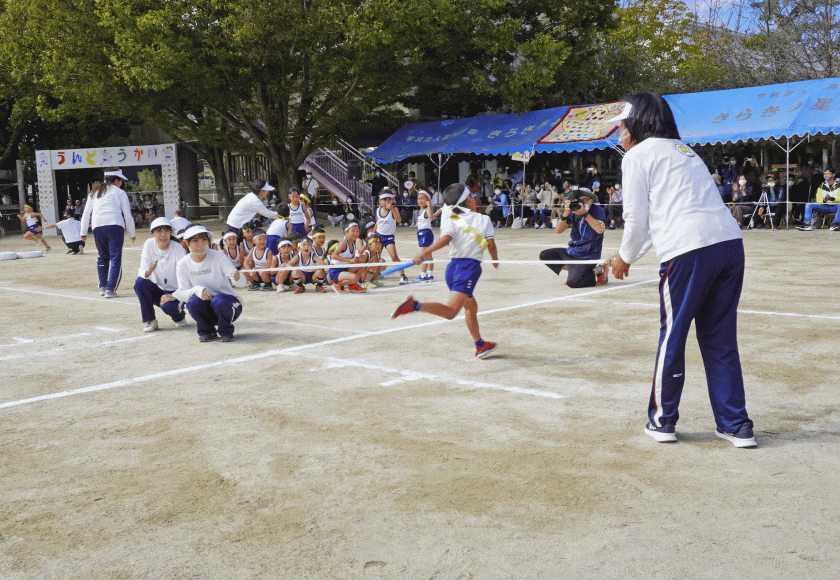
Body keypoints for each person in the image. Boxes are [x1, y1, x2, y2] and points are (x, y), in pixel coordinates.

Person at [604, 92, 756, 448]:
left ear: (634, 123)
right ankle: (736, 426)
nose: (620, 134)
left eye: (621, 126)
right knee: (720, 339)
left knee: (673, 335)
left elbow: (636, 220)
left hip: (687, 253)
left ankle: (662, 421)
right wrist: (626, 254)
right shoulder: (684, 151)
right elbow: (660, 221)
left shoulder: (638, 155)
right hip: (728, 247)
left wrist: (624, 258)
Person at [391, 183, 499, 359]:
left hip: (453, 269)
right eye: (472, 197)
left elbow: (445, 239)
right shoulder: (483, 219)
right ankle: (414, 305)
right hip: (468, 269)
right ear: (469, 199)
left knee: (471, 306)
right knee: (451, 312)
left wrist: (425, 252)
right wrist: (495, 260)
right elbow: (491, 245)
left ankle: (480, 345)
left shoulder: (453, 219)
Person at [173, 225, 243, 342]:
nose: (200, 244)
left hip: (229, 306)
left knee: (219, 300)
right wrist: (197, 290)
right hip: (206, 310)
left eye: (204, 240)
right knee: (194, 301)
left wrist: (237, 277)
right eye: (195, 241)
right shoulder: (182, 263)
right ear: (187, 243)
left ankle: (226, 331)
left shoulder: (219, 257)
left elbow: (241, 283)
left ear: (209, 241)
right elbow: (182, 293)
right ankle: (206, 331)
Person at [80, 168, 136, 298]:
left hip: (98, 226)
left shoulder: (94, 192)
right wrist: (131, 232)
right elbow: (127, 214)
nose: (121, 183)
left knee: (102, 256)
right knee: (116, 258)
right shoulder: (120, 192)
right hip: (115, 226)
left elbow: (86, 213)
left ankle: (102, 286)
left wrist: (83, 231)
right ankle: (110, 289)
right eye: (121, 180)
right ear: (116, 180)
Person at [539, 188, 608, 287]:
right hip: (573, 252)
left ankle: (599, 269)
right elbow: (558, 230)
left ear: (591, 200)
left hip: (589, 256)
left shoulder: (597, 210)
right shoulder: (573, 210)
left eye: (585, 199)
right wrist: (566, 213)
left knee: (574, 282)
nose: (582, 203)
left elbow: (600, 229)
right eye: (579, 200)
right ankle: (578, 272)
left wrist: (585, 214)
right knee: (545, 255)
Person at [134, 217, 188, 332]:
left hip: (175, 291)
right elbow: (142, 270)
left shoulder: (178, 248)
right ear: (152, 233)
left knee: (168, 307)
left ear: (170, 232)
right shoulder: (149, 244)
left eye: (166, 230)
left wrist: (174, 295)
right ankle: (150, 320)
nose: (163, 235)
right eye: (159, 231)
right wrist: (149, 270)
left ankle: (179, 317)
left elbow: (185, 277)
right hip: (158, 289)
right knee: (140, 282)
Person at [375, 191, 410, 285]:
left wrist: (393, 210)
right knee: (376, 257)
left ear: (392, 200)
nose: (387, 201)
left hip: (389, 237)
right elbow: (377, 223)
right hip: (378, 236)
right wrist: (372, 235)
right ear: (380, 201)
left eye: (389, 199)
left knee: (394, 256)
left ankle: (403, 276)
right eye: (384, 199)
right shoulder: (378, 210)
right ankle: (375, 274)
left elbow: (399, 220)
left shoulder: (394, 209)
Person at [413, 189, 441, 283]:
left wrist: (429, 205)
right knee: (428, 255)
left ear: (427, 199)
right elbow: (431, 217)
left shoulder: (426, 209)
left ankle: (423, 275)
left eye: (422, 198)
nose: (420, 200)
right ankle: (430, 275)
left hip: (426, 233)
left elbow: (431, 217)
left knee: (424, 254)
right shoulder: (421, 210)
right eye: (419, 198)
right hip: (422, 233)